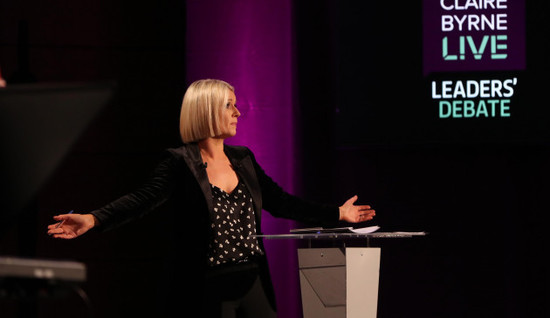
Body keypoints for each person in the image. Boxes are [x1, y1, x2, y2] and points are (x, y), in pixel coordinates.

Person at [47, 78, 376, 317]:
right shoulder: (179, 162)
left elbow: (283, 202)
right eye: (228, 105)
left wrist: (337, 214)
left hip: (253, 283)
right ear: (205, 110)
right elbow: (142, 199)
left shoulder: (243, 159)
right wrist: (93, 218)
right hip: (207, 289)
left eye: (235, 105)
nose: (237, 113)